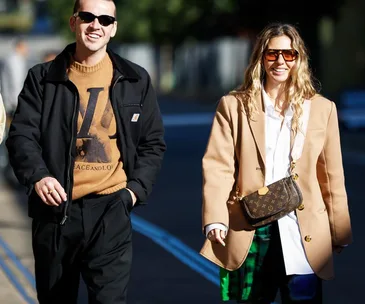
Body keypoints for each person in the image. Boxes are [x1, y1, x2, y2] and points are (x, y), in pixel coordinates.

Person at [6, 0, 166, 303]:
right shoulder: (42, 78)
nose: (96, 25)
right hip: (55, 213)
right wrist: (38, 177)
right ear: (73, 22)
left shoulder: (135, 79)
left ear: (114, 28)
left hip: (111, 209)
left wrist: (132, 193)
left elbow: (152, 142)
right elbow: (22, 136)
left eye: (105, 19)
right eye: (88, 17)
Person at [200, 22, 352, 304]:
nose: (280, 61)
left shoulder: (321, 108)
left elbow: (331, 175)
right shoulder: (234, 106)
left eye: (289, 54)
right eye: (272, 54)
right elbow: (218, 166)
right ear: (261, 58)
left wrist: (339, 228)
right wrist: (215, 218)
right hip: (251, 228)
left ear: (299, 58)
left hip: (303, 230)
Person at [0, 37, 28, 116]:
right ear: (19, 47)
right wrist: (17, 101)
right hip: (14, 102)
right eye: (25, 47)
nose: (27, 50)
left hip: (12, 100)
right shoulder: (14, 61)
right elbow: (16, 82)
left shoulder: (15, 59)